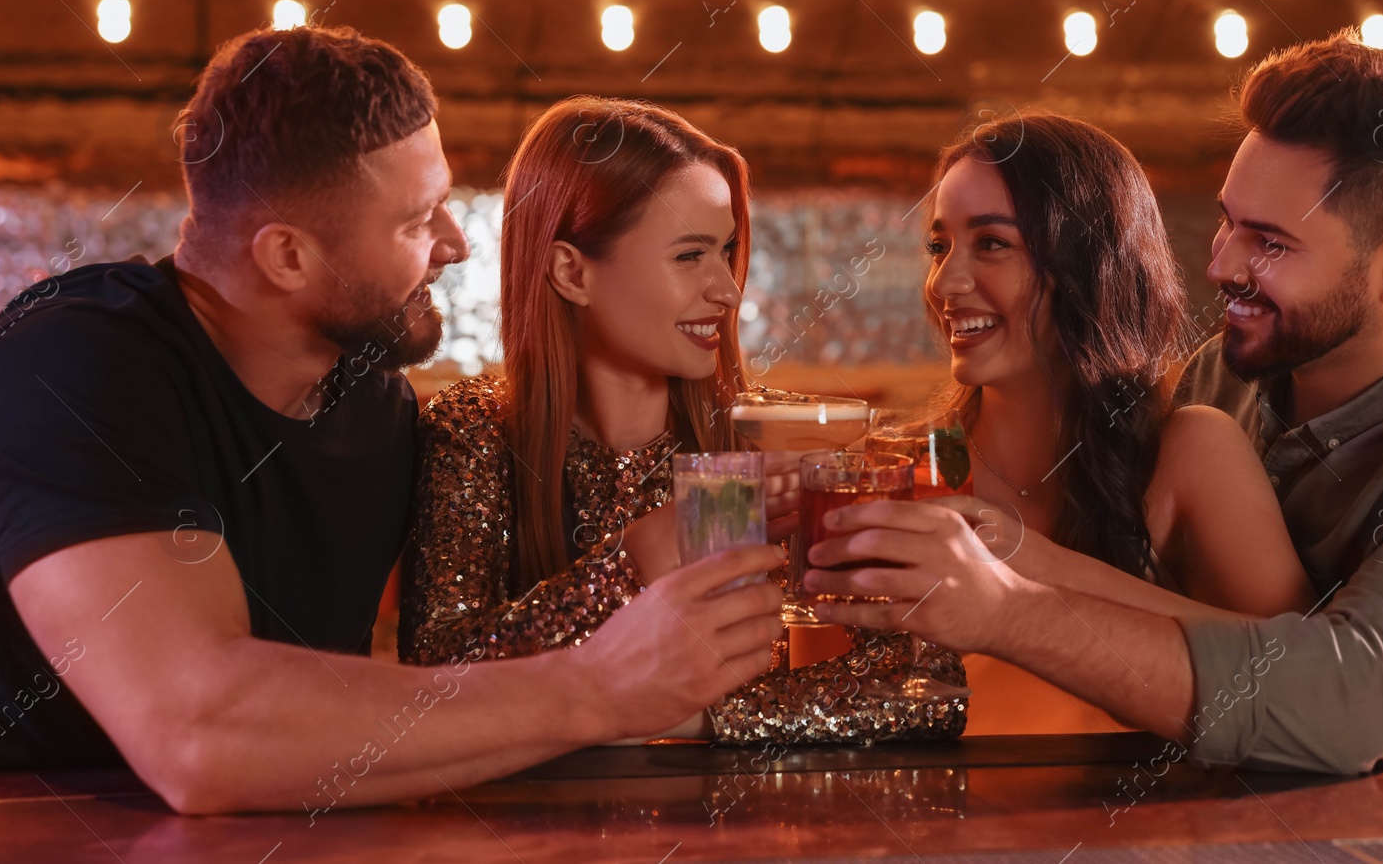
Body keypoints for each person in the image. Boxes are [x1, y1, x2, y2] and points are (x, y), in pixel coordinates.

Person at [0, 26, 784, 813]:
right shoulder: (76, 362)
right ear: (288, 257)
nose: (458, 243)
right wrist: (603, 686)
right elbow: (201, 735)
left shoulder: (374, 405)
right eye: (418, 219)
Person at [809, 31, 1383, 774]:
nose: (1220, 265)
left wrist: (1011, 605)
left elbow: (1350, 704)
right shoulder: (1230, 373)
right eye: (1228, 220)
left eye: (1271, 243)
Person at [398, 95, 966, 745]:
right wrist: (635, 559)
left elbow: (931, 687)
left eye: (727, 251)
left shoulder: (777, 438)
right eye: (690, 256)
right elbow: (431, 687)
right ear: (570, 271)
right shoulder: (472, 431)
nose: (727, 289)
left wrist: (694, 716)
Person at [805, 110, 1316, 731]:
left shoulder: (1188, 450)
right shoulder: (897, 470)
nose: (945, 281)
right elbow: (818, 702)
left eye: (992, 244)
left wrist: (1030, 560)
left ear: (1091, 265)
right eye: (940, 246)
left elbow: (1305, 671)